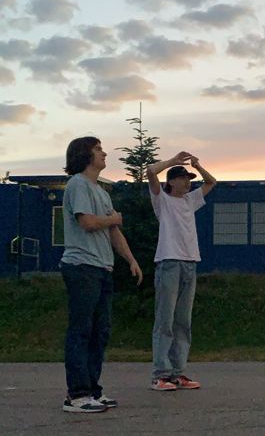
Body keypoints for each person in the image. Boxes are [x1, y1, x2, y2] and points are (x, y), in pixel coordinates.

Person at [61, 136, 143, 413]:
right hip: (81, 267)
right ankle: (77, 395)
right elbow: (87, 222)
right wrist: (114, 219)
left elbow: (113, 232)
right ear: (85, 155)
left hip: (102, 268)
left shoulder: (102, 192)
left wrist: (131, 260)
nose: (104, 153)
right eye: (98, 149)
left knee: (100, 332)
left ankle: (92, 391)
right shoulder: (78, 185)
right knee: (81, 330)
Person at [147, 151, 216, 391]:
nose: (188, 182)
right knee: (165, 319)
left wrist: (198, 164)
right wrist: (172, 162)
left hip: (190, 263)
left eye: (189, 178)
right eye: (184, 177)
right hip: (169, 262)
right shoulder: (162, 200)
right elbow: (150, 172)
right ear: (171, 181)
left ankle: (178, 373)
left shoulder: (190, 200)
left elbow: (211, 182)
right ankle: (160, 374)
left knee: (183, 321)